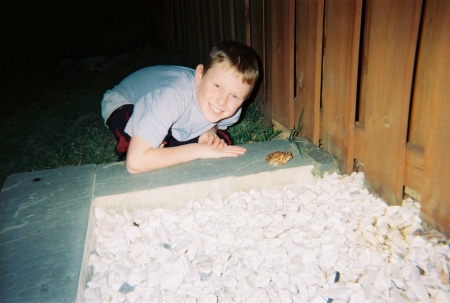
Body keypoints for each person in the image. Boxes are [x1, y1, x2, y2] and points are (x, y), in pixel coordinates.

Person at [101, 41, 260, 174]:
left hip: (169, 107)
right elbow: (135, 162)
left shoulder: (233, 111)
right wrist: (201, 150)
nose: (222, 101)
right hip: (126, 100)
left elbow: (218, 124)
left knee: (219, 142)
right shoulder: (172, 96)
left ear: (245, 99)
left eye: (234, 96)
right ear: (200, 76)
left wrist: (210, 131)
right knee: (148, 148)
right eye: (218, 86)